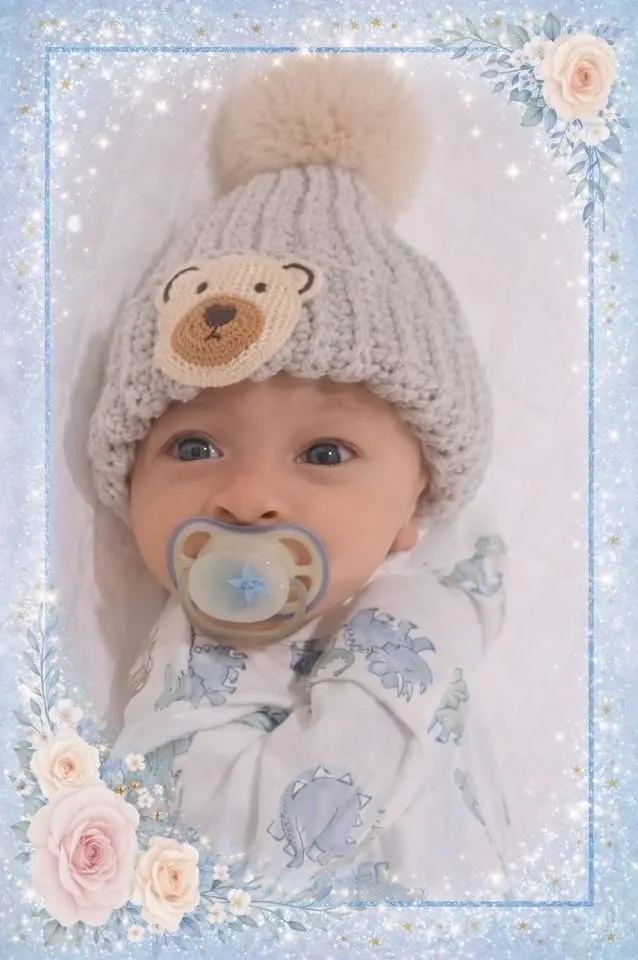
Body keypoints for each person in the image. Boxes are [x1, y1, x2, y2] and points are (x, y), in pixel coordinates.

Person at [87, 53, 511, 897]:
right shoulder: (205, 652)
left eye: (324, 454)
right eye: (194, 446)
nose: (247, 497)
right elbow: (225, 851)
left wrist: (433, 608)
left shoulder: (448, 580)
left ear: (415, 506)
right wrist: (409, 638)